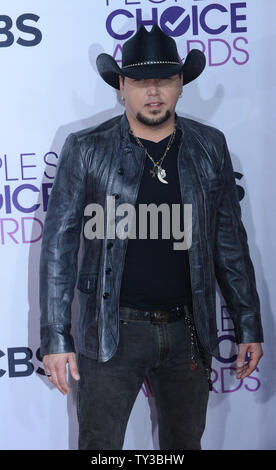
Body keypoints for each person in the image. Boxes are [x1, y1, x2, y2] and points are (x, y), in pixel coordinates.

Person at [40, 24, 264, 450]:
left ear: (181, 84)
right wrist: (54, 336)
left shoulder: (209, 146)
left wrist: (248, 323)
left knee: (184, 447)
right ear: (122, 86)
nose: (154, 91)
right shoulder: (86, 148)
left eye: (164, 79)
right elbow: (58, 248)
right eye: (141, 81)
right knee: (99, 449)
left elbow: (229, 244)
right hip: (109, 333)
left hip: (188, 333)